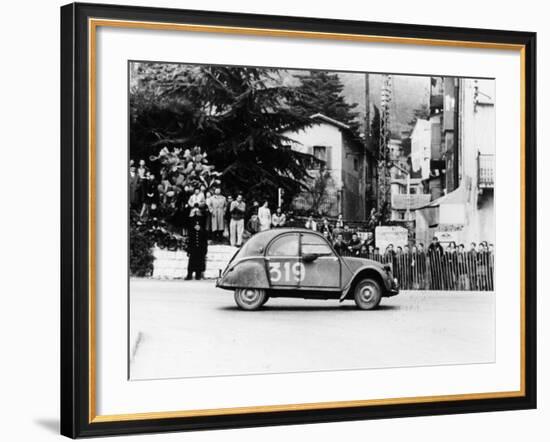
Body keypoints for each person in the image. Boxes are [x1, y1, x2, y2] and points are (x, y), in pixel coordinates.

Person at [185, 204, 208, 280]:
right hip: (193, 246)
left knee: (199, 261)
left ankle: (198, 275)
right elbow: (190, 237)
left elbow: (204, 236)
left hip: (200, 247)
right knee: (191, 261)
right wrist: (188, 249)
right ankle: (189, 275)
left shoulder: (202, 222)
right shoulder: (191, 224)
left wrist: (205, 249)